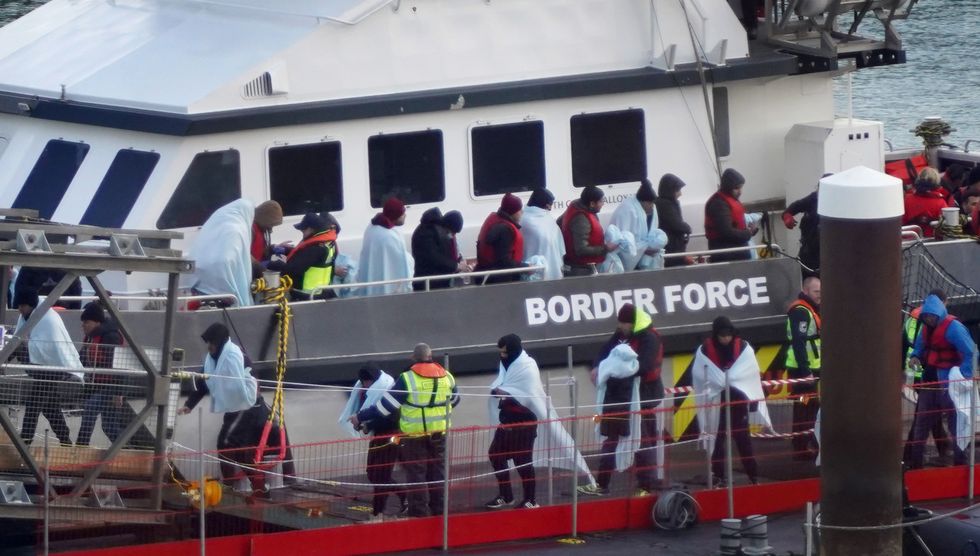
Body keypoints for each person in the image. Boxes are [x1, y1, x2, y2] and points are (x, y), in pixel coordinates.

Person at [351, 343, 459, 517]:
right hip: (440, 434)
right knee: (437, 475)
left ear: (413, 358)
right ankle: (440, 513)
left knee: (416, 477)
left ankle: (419, 515)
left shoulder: (408, 378)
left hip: (414, 437)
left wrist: (360, 417)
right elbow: (455, 400)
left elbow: (385, 407)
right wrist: (434, 409)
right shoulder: (447, 376)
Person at [580, 304, 665, 496]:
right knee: (610, 437)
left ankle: (646, 486)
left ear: (632, 323)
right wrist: (597, 367)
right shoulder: (622, 334)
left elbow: (644, 365)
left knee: (643, 441)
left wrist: (614, 371)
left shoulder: (650, 338)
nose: (620, 326)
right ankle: (602, 484)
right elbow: (605, 351)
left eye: (624, 323)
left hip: (644, 398)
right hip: (620, 397)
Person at [177, 324, 268, 492]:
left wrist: (249, 395)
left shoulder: (234, 356)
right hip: (235, 408)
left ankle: (229, 486)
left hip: (248, 406)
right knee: (239, 450)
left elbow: (251, 379)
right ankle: (260, 488)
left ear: (219, 343)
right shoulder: (212, 361)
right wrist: (189, 405)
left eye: (211, 343)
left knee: (226, 442)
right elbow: (205, 380)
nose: (209, 346)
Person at [693, 316, 770, 486]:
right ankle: (719, 475)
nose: (726, 338)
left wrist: (752, 399)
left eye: (728, 335)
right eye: (722, 335)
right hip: (717, 400)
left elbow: (750, 372)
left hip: (738, 399)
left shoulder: (743, 348)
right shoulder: (705, 349)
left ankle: (753, 475)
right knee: (717, 438)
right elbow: (700, 373)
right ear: (716, 335)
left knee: (742, 438)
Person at [907, 294, 977, 469]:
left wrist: (963, 375)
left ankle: (961, 465)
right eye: (926, 316)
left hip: (950, 386)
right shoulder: (926, 328)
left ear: (938, 313)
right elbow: (920, 346)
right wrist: (915, 356)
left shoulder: (954, 328)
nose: (928, 319)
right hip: (930, 385)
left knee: (956, 426)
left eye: (931, 316)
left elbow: (972, 353)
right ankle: (915, 465)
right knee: (921, 426)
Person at [76, 302, 155, 448]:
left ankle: (80, 448)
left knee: (90, 409)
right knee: (109, 427)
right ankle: (126, 451)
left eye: (86, 322)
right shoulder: (89, 338)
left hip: (111, 387)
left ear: (96, 322)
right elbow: (82, 358)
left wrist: (119, 393)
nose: (83, 325)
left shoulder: (111, 337)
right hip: (96, 386)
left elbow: (121, 366)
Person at [15, 289, 84, 446]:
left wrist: (27, 348)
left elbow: (52, 348)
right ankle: (65, 440)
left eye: (22, 306)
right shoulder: (29, 316)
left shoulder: (47, 319)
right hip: (44, 369)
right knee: (50, 407)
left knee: (33, 404)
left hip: (53, 368)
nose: (19, 309)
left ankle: (25, 441)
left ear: (31, 305)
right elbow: (17, 339)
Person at [338, 363, 406, 521]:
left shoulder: (384, 391)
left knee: (381, 474)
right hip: (381, 435)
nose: (363, 387)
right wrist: (367, 425)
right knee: (373, 472)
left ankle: (378, 511)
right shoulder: (381, 389)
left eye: (365, 383)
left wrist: (365, 423)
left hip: (390, 436)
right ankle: (402, 496)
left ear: (369, 381)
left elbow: (390, 417)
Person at [485, 335, 540, 510]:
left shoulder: (528, 367)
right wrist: (499, 391)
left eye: (504, 352)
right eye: (500, 353)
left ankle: (531, 499)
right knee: (495, 455)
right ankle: (506, 495)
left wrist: (505, 392)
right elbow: (505, 384)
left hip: (524, 424)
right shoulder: (507, 365)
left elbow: (527, 393)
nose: (502, 356)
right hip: (507, 420)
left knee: (523, 462)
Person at [902, 289, 951, 466]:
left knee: (929, 414)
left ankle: (942, 447)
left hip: (916, 374)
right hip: (929, 374)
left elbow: (904, 345)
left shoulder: (911, 319)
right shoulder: (935, 322)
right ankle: (911, 453)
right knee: (924, 416)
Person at [187, 199, 256, 306]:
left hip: (200, 286)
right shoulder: (236, 229)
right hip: (224, 294)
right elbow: (225, 260)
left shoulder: (215, 225)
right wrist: (227, 284)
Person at [783, 276, 822, 460]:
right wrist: (806, 371)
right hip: (802, 371)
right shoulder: (801, 312)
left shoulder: (811, 309)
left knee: (810, 406)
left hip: (812, 368)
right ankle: (800, 445)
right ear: (806, 291)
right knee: (804, 405)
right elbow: (799, 343)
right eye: (816, 292)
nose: (819, 295)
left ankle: (806, 441)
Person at [267, 212, 340, 301]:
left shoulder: (315, 248)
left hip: (307, 296)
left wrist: (273, 264)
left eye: (303, 230)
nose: (302, 232)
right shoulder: (328, 244)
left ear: (311, 229)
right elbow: (309, 257)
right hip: (322, 292)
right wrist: (286, 250)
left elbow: (293, 269)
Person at [355, 197, 414, 296]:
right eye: (402, 213)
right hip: (388, 291)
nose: (405, 215)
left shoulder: (371, 227)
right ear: (396, 215)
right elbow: (402, 264)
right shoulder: (390, 236)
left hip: (371, 284)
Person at [610, 179, 668, 271]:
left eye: (653, 203)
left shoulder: (652, 210)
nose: (652, 206)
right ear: (642, 201)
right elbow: (622, 243)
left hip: (645, 256)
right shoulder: (626, 210)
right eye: (649, 203)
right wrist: (644, 249)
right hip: (628, 261)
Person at [560, 186, 618, 276]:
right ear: (592, 204)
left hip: (581, 266)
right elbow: (581, 249)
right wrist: (606, 248)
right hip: (581, 269)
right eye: (601, 201)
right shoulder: (581, 219)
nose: (603, 204)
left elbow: (559, 222)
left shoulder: (577, 206)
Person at [704, 168, 757, 263]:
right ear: (728, 187)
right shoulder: (719, 204)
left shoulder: (728, 200)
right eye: (737, 188)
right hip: (728, 256)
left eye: (741, 187)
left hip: (736, 254)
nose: (740, 191)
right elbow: (726, 232)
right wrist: (748, 233)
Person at [475, 193, 528, 284]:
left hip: (487, 274)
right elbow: (503, 261)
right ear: (513, 211)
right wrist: (525, 267)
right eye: (519, 210)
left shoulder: (497, 222)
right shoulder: (505, 230)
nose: (522, 212)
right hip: (499, 280)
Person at [412, 207, 467, 291]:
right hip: (429, 284)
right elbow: (434, 257)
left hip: (439, 282)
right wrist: (456, 266)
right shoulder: (426, 233)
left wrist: (459, 260)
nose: (452, 235)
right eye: (452, 232)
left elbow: (446, 252)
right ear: (447, 226)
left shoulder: (438, 231)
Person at [782, 176, 824, 275]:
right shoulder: (813, 198)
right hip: (809, 250)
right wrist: (787, 218)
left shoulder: (840, 203)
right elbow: (791, 210)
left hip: (828, 251)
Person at [520, 189, 565, 281]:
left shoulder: (545, 217)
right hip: (533, 270)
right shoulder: (524, 219)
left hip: (543, 269)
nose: (550, 207)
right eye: (549, 204)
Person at [655, 173, 693, 267]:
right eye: (678, 190)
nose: (680, 194)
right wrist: (687, 228)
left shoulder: (665, 203)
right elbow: (676, 224)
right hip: (671, 250)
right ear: (670, 190)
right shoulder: (665, 205)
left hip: (673, 249)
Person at [903, 167, 949, 238]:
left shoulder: (908, 200)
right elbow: (947, 227)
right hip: (932, 242)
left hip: (910, 242)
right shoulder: (941, 203)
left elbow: (902, 222)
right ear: (937, 183)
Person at [250, 200, 284, 276]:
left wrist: (274, 247)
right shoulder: (251, 229)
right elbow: (246, 255)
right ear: (265, 219)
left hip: (259, 267)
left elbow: (260, 247)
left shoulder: (262, 229)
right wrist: (262, 269)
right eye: (271, 224)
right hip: (252, 271)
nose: (271, 227)